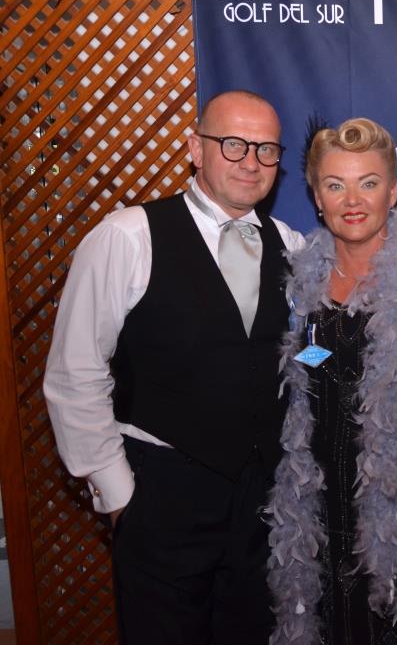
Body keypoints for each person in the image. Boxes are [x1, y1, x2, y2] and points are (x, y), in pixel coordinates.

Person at [43, 90, 306, 644]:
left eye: (266, 149)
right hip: (162, 493)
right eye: (233, 144)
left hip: (261, 503)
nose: (251, 161)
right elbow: (75, 373)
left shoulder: (292, 246)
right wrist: (119, 495)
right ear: (195, 148)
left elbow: (301, 358)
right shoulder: (127, 236)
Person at [265, 117, 397, 645]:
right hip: (314, 509)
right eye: (335, 184)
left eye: (368, 183)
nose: (352, 200)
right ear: (316, 197)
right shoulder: (299, 280)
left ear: (392, 193)